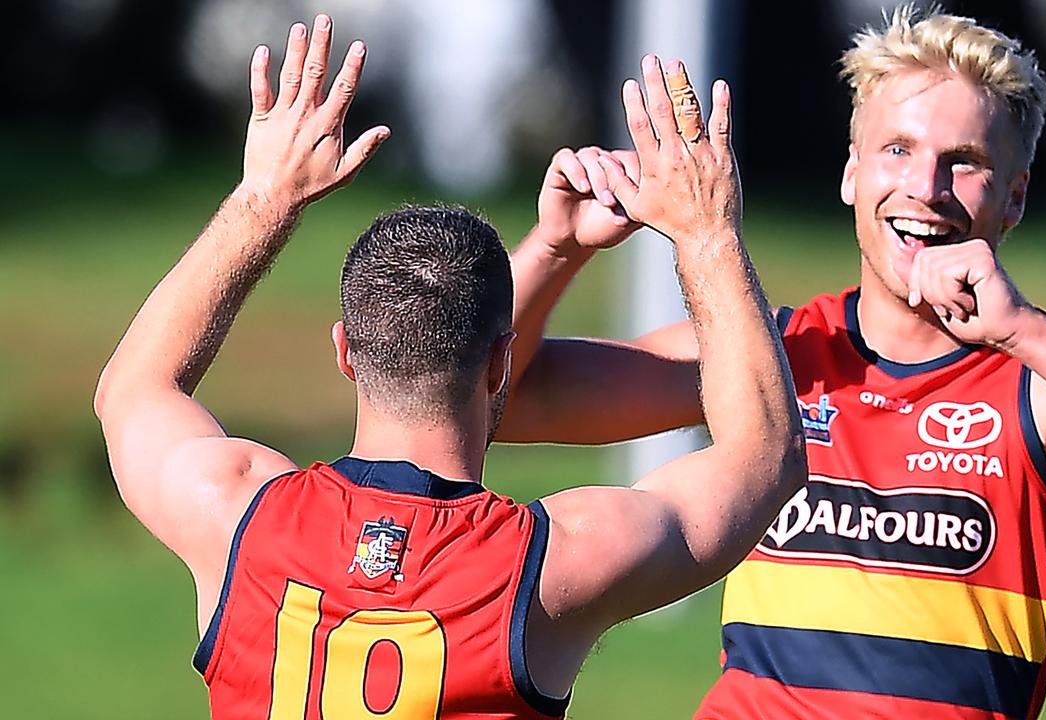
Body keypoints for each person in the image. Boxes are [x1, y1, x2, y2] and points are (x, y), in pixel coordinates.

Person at [499, 6, 1046, 720]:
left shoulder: (1041, 387)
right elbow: (503, 399)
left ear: (1014, 197)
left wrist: (1023, 332)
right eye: (897, 149)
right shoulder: (767, 355)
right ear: (850, 173)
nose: (924, 188)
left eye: (962, 160)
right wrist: (553, 249)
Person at [93, 15, 805, 719]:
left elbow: (131, 389)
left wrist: (263, 198)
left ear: (346, 350)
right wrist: (705, 231)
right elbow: (767, 454)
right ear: (503, 361)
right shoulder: (556, 563)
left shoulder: (231, 507)